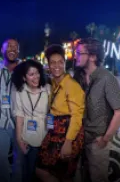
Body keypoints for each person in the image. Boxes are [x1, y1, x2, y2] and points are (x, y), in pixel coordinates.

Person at [75, 37, 120, 182]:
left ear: (93, 56)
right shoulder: (78, 77)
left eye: (80, 53)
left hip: (96, 142)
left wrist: (105, 139)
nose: (76, 56)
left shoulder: (107, 79)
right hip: (79, 139)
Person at [36, 44, 85, 182]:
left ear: (64, 63)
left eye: (60, 62)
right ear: (48, 64)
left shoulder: (72, 85)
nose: (56, 66)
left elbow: (77, 116)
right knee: (46, 170)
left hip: (68, 135)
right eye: (53, 62)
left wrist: (68, 142)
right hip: (54, 133)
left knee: (56, 173)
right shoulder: (53, 83)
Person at [0, 39, 22, 182]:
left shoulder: (25, 68)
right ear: (2, 50)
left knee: (19, 160)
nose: (12, 48)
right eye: (9, 46)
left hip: (19, 123)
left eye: (15, 47)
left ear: (18, 51)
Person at [13, 59, 50, 182]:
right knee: (27, 174)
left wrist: (51, 138)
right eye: (31, 74)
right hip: (27, 138)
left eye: (37, 73)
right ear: (24, 77)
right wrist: (19, 139)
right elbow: (19, 115)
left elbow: (52, 114)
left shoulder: (48, 89)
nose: (36, 77)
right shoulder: (20, 91)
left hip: (45, 139)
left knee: (42, 175)